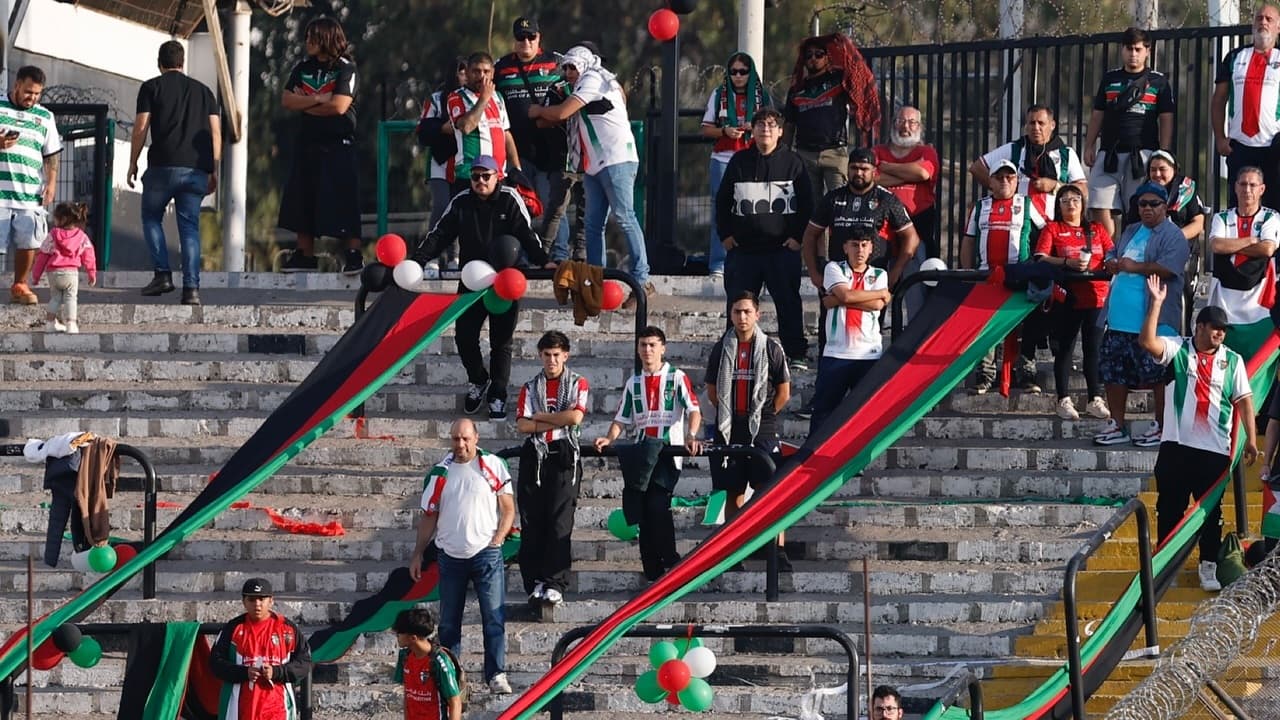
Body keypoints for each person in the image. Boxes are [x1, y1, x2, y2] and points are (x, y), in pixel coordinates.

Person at [412, 155, 551, 420]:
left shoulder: (510, 198)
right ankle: (479, 380)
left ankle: (498, 394)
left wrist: (544, 261)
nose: (480, 181)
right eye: (475, 176)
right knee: (464, 335)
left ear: (497, 176)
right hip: (472, 278)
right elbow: (439, 235)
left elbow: (526, 234)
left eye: (485, 176)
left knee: (502, 342)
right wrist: (417, 261)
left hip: (505, 280)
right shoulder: (461, 201)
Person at [1140, 277, 1256, 591]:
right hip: (1177, 446)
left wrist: (1252, 441)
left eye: (1223, 329)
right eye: (1215, 327)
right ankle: (1165, 565)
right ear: (1200, 326)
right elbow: (1148, 342)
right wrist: (1156, 304)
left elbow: (1244, 402)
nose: (1219, 333)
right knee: (1170, 508)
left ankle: (1208, 566)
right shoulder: (1178, 347)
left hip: (1214, 450)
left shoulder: (1233, 361)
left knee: (1210, 513)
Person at [530, 45, 655, 308]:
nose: (568, 72)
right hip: (594, 164)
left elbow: (561, 113)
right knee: (592, 224)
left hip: (616, 159)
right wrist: (546, 111)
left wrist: (536, 110)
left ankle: (642, 279)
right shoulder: (587, 83)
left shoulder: (594, 78)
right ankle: (595, 283)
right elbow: (550, 119)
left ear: (585, 65)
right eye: (565, 67)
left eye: (572, 66)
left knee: (624, 216)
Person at [409, 419, 515, 694]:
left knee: (493, 617)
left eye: (465, 438)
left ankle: (496, 673)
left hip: (486, 554)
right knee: (448, 622)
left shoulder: (492, 464)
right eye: (455, 439)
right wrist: (418, 552)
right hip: (450, 556)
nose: (460, 444)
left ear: (476, 438)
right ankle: (452, 674)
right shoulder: (439, 473)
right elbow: (428, 516)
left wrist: (499, 537)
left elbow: (508, 507)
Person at [594, 327, 702, 582]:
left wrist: (691, 435)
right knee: (642, 511)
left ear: (663, 348)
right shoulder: (634, 382)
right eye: (643, 345)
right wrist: (609, 438)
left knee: (657, 505)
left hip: (667, 451)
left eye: (652, 345)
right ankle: (652, 570)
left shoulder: (677, 377)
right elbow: (621, 418)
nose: (647, 350)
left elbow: (694, 409)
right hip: (641, 452)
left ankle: (671, 561)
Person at [801, 147, 918, 374]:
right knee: (831, 335)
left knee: (869, 333)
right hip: (838, 278)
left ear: (874, 171)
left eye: (865, 169)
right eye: (854, 168)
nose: (859, 173)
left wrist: (895, 272)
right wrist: (815, 272)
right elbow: (810, 234)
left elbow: (911, 238)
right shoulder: (834, 198)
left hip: (873, 279)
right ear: (847, 169)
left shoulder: (887, 199)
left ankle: (863, 392)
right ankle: (825, 390)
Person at [715, 108, 812, 368]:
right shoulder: (739, 161)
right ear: (753, 130)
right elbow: (722, 200)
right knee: (738, 304)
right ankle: (734, 351)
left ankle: (795, 353)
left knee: (788, 302)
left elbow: (807, 204)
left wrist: (797, 237)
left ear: (780, 131)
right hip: (744, 252)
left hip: (781, 250)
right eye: (759, 125)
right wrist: (725, 235)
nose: (765, 130)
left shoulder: (794, 163)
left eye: (771, 125)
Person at [1093, 181, 1189, 447]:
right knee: (1114, 373)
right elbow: (1114, 250)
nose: (1146, 209)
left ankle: (1161, 426)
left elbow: (1170, 268)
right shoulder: (1132, 229)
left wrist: (1134, 267)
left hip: (1153, 323)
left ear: (1165, 206)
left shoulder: (1173, 235)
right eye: (1142, 204)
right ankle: (1117, 424)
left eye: (1153, 204)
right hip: (1119, 320)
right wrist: (1112, 260)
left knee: (1158, 376)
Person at [128, 40, 221, 305]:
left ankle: (163, 274)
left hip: (161, 167)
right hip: (195, 171)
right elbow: (215, 132)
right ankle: (191, 290)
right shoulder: (204, 92)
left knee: (150, 217)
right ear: (182, 62)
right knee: (189, 228)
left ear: (160, 63)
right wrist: (213, 170)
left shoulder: (151, 87)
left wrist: (133, 162)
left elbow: (141, 128)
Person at [704, 291, 791, 566]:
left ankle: (777, 551)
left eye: (746, 312)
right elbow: (712, 392)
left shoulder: (771, 349)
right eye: (737, 312)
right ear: (730, 315)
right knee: (733, 491)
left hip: (763, 428)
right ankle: (734, 550)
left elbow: (783, 393)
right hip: (730, 427)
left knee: (769, 491)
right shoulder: (722, 348)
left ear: (757, 315)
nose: (742, 317)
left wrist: (763, 415)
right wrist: (734, 416)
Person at [277, 17, 364, 275]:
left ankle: (353, 254)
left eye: (312, 38)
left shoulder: (347, 68)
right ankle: (304, 254)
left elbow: (339, 106)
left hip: (339, 144)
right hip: (308, 143)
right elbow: (287, 100)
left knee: (344, 199)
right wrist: (318, 99)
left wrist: (309, 105)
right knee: (303, 197)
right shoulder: (302, 67)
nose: (307, 43)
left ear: (326, 38)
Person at [515, 330, 589, 607]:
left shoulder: (578, 383)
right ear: (540, 355)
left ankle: (556, 581)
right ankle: (535, 580)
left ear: (565, 355)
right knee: (532, 520)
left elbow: (575, 417)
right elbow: (522, 426)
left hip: (563, 455)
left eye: (557, 355)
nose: (551, 360)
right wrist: (558, 420)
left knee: (560, 521)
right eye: (546, 354)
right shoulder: (530, 386)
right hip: (534, 454)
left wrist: (541, 417)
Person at [959, 159, 1046, 394]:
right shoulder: (979, 207)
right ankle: (985, 375)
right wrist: (969, 273)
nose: (1005, 181)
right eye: (999, 177)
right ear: (990, 181)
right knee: (986, 329)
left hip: (1020, 278)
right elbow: (968, 240)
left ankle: (1025, 374)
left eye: (1010, 177)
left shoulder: (1027, 204)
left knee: (1024, 328)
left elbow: (1046, 234)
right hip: (988, 277)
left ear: (1017, 181)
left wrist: (1039, 267)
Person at [1082, 27, 1175, 239]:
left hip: (1141, 154)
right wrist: (1089, 145)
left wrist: (1164, 152)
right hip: (1109, 152)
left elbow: (1166, 118)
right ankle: (1112, 250)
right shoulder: (1110, 79)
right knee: (1099, 202)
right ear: (1122, 50)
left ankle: (1129, 252)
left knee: (1138, 208)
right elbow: (1098, 114)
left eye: (1138, 49)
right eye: (1129, 49)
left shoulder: (1158, 81)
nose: (1133, 54)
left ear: (1147, 51)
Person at [1033, 185, 1113, 420]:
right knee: (1065, 347)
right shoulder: (1053, 228)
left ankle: (1094, 398)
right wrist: (1067, 262)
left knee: (1093, 348)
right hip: (1068, 297)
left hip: (1097, 296)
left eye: (1076, 199)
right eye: (1065, 200)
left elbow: (1111, 253)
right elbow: (1040, 258)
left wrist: (1110, 263)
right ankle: (1063, 399)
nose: (1071, 204)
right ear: (1058, 205)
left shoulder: (1096, 229)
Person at [495, 17, 570, 256]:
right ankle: (525, 255)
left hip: (552, 151)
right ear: (514, 40)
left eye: (531, 37)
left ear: (539, 38)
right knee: (519, 206)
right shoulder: (500, 67)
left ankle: (559, 256)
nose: (525, 42)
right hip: (517, 151)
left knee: (554, 205)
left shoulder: (557, 63)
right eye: (520, 37)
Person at [808, 229, 889, 435]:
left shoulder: (879, 274)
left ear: (871, 248)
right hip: (836, 353)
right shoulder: (834, 268)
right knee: (824, 412)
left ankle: (857, 464)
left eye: (864, 245)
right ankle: (814, 460)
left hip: (869, 353)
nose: (859, 250)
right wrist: (878, 294)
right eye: (854, 244)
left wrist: (839, 299)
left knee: (864, 413)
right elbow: (846, 296)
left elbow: (877, 307)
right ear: (845, 247)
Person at [783, 34, 881, 202]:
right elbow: (789, 124)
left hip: (834, 152)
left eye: (819, 54)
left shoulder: (838, 80)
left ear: (827, 57)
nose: (813, 58)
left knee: (840, 204)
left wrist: (843, 43)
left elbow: (857, 73)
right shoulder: (796, 90)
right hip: (805, 154)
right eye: (809, 55)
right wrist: (784, 154)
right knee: (810, 207)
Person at [701, 52, 772, 279]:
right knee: (720, 209)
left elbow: (774, 125)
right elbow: (706, 128)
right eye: (734, 72)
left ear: (750, 73)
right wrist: (725, 131)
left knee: (755, 207)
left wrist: (756, 127)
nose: (738, 76)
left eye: (743, 72)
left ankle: (753, 256)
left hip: (753, 157)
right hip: (723, 158)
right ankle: (718, 263)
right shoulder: (719, 94)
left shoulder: (763, 96)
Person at [210, 578, 313, 720]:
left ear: (271, 601)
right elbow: (215, 663)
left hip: (278, 709)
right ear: (244, 602)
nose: (257, 604)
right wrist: (244, 672)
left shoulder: (287, 629)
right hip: (240, 709)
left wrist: (277, 672)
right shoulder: (233, 628)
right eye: (251, 599)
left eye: (261, 599)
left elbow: (304, 663)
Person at [1, 65, 61, 306]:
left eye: (37, 94)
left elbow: (52, 154)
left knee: (30, 241)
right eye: (28, 92)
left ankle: (20, 285)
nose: (32, 98)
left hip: (29, 193)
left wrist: (52, 183)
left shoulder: (45, 117)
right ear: (16, 85)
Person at [1205, 167, 1280, 359]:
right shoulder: (1221, 217)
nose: (1248, 189)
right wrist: (1250, 240)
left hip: (1260, 306)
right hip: (1225, 301)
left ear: (1262, 189)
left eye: (1253, 185)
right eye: (1243, 184)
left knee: (1256, 363)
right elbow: (1215, 245)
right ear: (1235, 188)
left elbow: (1267, 249)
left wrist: (1230, 246)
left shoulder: (1271, 217)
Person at [1212, 2, 1280, 209]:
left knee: (1274, 204)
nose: (1263, 23)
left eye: (1269, 19)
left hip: (1273, 145)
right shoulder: (1235, 56)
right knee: (1239, 204)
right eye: (1259, 18)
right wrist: (1220, 139)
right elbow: (1219, 100)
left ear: (1278, 27)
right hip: (1240, 145)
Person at [970, 104, 1087, 221]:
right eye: (1032, 123)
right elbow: (977, 167)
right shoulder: (1014, 148)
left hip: (1054, 223)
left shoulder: (1066, 153)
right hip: (1018, 222)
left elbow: (1082, 189)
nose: (1036, 128)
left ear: (1052, 125)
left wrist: (1055, 186)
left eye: (1041, 123)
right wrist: (1003, 190)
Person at [415, 58, 467, 273]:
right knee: (441, 206)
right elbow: (425, 130)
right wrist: (449, 126)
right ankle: (432, 256)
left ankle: (455, 257)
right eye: (460, 71)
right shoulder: (437, 99)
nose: (463, 76)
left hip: (466, 161)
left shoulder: (474, 99)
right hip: (440, 162)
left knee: (461, 208)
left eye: (467, 72)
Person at [448, 51, 519, 195]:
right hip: (471, 177)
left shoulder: (497, 97)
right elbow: (466, 127)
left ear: (492, 73)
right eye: (476, 71)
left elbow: (505, 133)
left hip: (497, 177)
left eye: (486, 71)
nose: (482, 76)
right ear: (467, 73)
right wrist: (483, 99)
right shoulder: (456, 97)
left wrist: (517, 168)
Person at [874, 105, 940, 259]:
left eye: (912, 122)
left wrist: (886, 166)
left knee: (916, 275)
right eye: (900, 121)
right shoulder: (877, 151)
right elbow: (871, 179)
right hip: (882, 227)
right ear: (893, 124)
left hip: (919, 224)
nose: (905, 126)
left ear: (920, 126)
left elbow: (923, 173)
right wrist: (910, 175)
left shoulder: (927, 152)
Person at [31, 202, 96, 335]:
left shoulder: (53, 235)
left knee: (55, 298)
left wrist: (36, 275)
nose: (53, 221)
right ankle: (71, 324)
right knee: (71, 298)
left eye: (55, 217)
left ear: (63, 219)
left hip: (53, 273)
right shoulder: (82, 236)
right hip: (71, 273)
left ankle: (50, 324)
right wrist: (91, 272)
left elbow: (43, 255)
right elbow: (89, 255)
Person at [391, 608, 463, 720]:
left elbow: (455, 702)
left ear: (413, 638)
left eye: (399, 634)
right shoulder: (404, 656)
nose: (397, 637)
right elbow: (407, 693)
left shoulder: (439, 661)